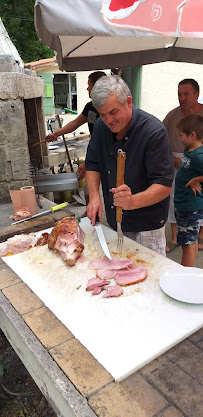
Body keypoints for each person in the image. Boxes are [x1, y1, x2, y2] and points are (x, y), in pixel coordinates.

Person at [85, 75, 174, 256]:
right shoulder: (102, 127)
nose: (108, 120)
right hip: (115, 221)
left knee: (148, 277)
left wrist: (133, 201)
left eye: (113, 112)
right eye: (103, 114)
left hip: (147, 225)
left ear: (128, 102)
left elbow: (163, 185)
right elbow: (92, 163)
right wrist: (94, 196)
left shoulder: (153, 132)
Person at [45, 70, 106, 208]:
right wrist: (56, 134)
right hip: (95, 149)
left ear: (96, 86)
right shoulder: (90, 107)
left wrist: (89, 161)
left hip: (108, 152)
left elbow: (105, 140)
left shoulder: (107, 108)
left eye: (89, 84)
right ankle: (91, 213)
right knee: (89, 186)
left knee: (109, 186)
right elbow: (75, 123)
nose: (87, 88)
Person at [163, 79, 203, 252]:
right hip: (175, 162)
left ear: (197, 94)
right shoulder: (173, 115)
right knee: (173, 199)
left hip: (200, 163)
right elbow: (161, 137)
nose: (182, 98)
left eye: (186, 94)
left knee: (199, 199)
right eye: (179, 94)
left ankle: (200, 236)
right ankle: (174, 237)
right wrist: (172, 160)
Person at [174, 114, 203, 267]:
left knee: (187, 244)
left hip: (190, 206)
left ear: (192, 135)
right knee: (192, 240)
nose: (178, 138)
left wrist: (196, 180)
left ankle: (185, 275)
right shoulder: (189, 149)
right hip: (184, 203)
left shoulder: (199, 155)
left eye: (181, 135)